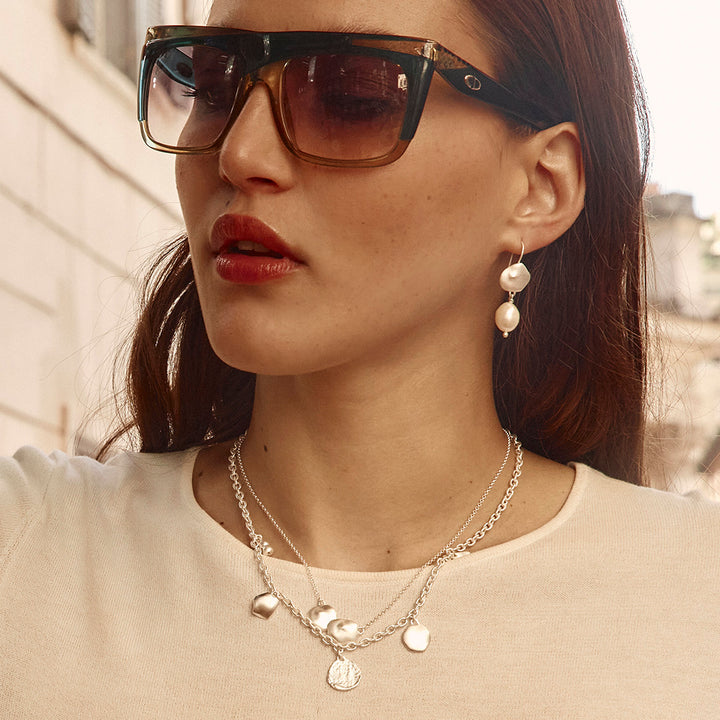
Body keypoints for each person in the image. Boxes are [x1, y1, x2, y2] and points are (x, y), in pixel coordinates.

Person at [2, 0, 718, 716]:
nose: (239, 154)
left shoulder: (695, 598)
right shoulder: (26, 553)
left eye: (351, 96)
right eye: (215, 86)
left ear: (540, 185)